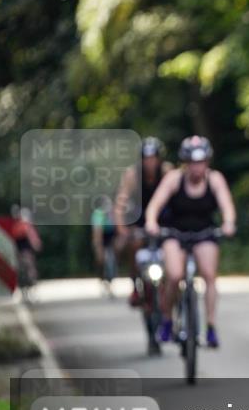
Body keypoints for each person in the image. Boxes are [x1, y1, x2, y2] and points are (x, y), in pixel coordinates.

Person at [144, 136, 236, 348]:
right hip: (175, 233)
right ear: (185, 163)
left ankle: (210, 327)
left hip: (205, 233)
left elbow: (227, 206)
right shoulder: (174, 179)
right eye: (192, 163)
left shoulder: (215, 179)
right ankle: (167, 320)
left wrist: (229, 223)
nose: (197, 167)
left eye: (201, 162)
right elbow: (155, 205)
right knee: (174, 275)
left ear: (207, 162)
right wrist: (151, 222)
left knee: (209, 276)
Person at [115, 137, 173, 307]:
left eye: (153, 158)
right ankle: (136, 285)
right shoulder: (132, 174)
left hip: (164, 218)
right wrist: (122, 229)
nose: (150, 162)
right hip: (139, 217)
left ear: (159, 159)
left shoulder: (167, 171)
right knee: (133, 245)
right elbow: (120, 203)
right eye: (146, 159)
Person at [9, 206, 42, 291]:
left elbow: (31, 236)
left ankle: (30, 280)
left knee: (27, 265)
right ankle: (30, 281)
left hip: (22, 249)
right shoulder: (21, 225)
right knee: (27, 266)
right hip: (23, 249)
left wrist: (36, 244)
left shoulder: (19, 225)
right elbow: (32, 237)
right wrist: (36, 244)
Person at [90, 196, 119, 290]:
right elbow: (97, 232)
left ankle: (111, 278)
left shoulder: (114, 213)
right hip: (101, 237)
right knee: (100, 259)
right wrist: (98, 246)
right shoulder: (98, 214)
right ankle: (102, 277)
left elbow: (118, 230)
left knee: (112, 259)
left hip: (110, 237)